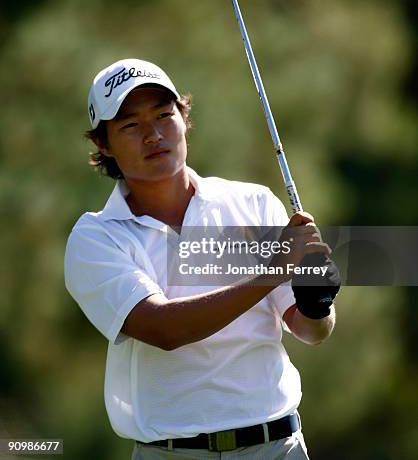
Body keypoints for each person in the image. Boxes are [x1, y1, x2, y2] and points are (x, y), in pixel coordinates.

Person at [64, 58, 340, 459]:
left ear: (183, 117)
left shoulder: (254, 203)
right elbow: (164, 328)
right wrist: (274, 270)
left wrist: (317, 301)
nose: (153, 134)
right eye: (130, 125)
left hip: (277, 446)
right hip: (171, 452)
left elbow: (311, 331)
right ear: (103, 144)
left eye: (164, 114)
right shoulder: (97, 237)